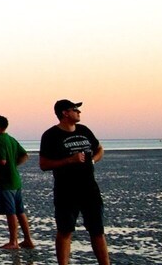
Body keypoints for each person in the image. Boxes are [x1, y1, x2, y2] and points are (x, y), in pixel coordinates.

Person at [40, 100, 110, 265]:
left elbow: (100, 149)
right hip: (66, 190)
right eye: (75, 109)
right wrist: (69, 160)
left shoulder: (84, 130)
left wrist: (92, 160)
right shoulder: (50, 135)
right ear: (65, 113)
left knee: (97, 230)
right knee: (65, 230)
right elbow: (44, 164)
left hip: (89, 188)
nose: (79, 112)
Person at [0, 115, 36, 250]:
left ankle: (13, 242)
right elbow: (25, 155)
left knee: (11, 212)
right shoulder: (11, 139)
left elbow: (2, 161)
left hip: (6, 181)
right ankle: (28, 240)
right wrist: (14, 165)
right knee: (20, 211)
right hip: (15, 180)